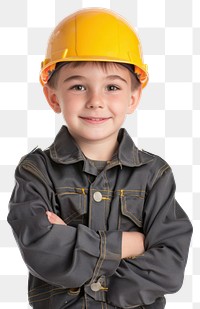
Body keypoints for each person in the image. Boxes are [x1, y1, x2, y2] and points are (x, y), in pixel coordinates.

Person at [7, 8, 192, 309]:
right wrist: (128, 245)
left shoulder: (155, 174)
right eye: (79, 86)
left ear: (133, 98)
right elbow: (42, 251)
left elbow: (169, 268)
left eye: (112, 87)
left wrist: (75, 249)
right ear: (53, 97)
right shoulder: (35, 171)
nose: (96, 101)